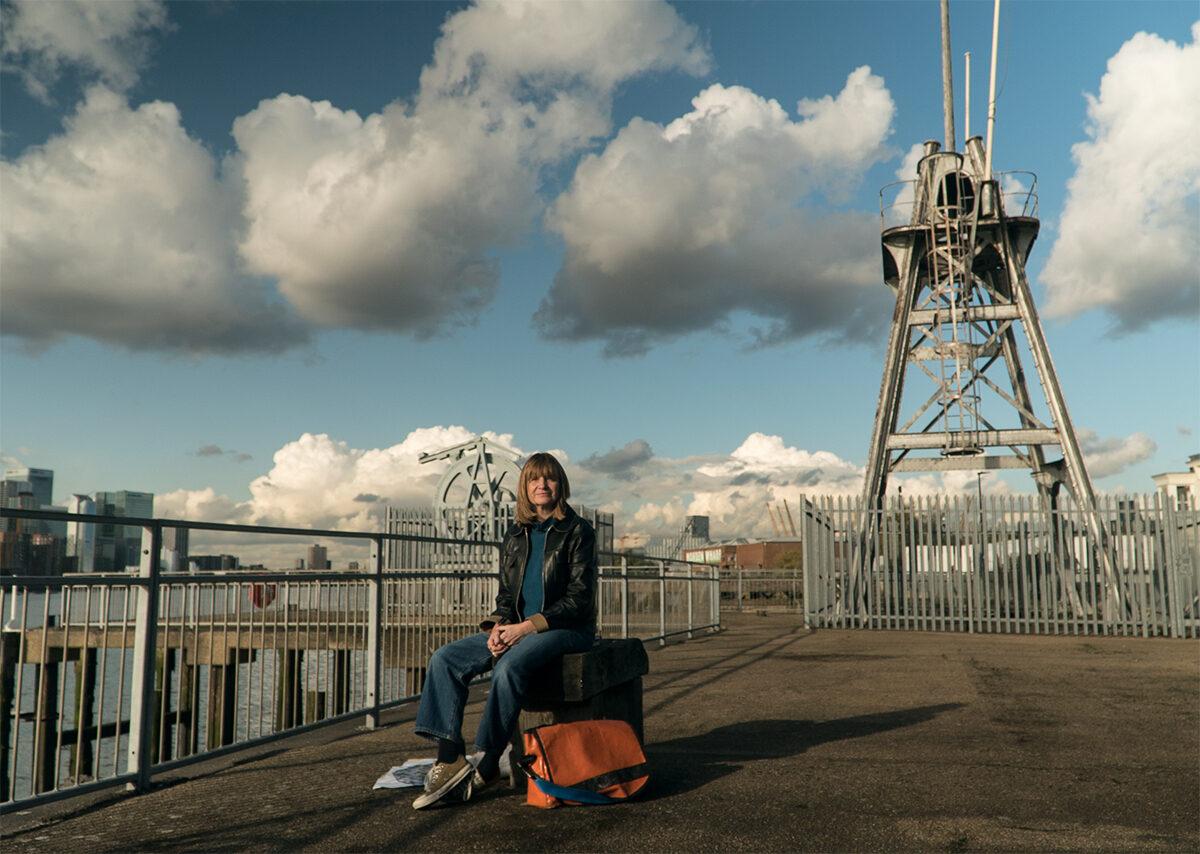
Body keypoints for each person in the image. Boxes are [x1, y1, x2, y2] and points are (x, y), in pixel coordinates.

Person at [412, 451, 597, 809]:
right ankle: (449, 756)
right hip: (518, 628)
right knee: (444, 658)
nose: (542, 485)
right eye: (534, 479)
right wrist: (498, 627)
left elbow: (580, 599)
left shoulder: (578, 531)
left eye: (549, 478)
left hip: (566, 629)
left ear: (561, 485)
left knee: (509, 667)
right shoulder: (515, 535)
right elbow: (506, 595)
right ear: (525, 488)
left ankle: (486, 761)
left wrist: (526, 628)